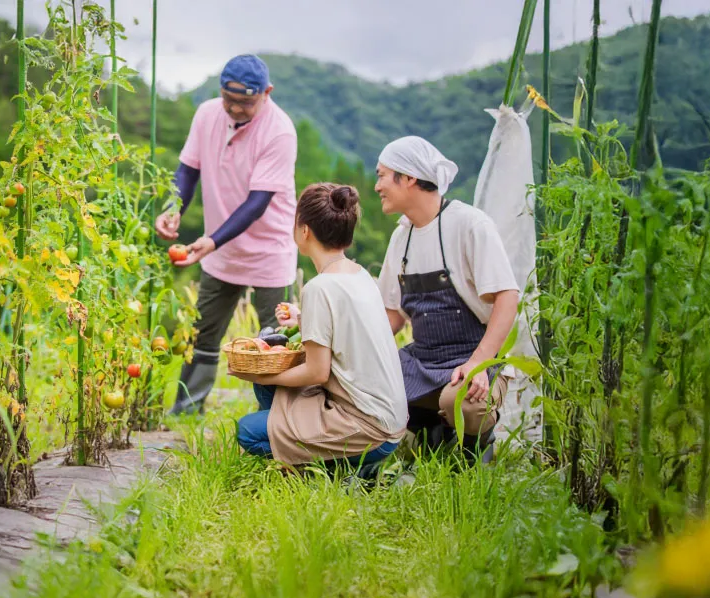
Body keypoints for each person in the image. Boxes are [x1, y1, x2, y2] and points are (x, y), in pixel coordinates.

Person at [156, 54, 299, 415]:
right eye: (228, 99)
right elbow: (187, 170)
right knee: (203, 331)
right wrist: (174, 209)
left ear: (267, 93)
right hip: (220, 248)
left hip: (268, 250)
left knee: (276, 341)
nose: (234, 108)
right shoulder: (207, 114)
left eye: (245, 102)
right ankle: (187, 410)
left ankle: (278, 419)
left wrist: (212, 240)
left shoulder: (279, 131)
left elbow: (258, 202)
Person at [231, 184, 409, 470]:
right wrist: (302, 318)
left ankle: (339, 468)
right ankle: (300, 443)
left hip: (367, 427)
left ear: (304, 231)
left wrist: (264, 377)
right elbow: (344, 329)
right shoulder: (359, 274)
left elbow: (317, 371)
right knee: (273, 388)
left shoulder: (319, 288)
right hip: (390, 421)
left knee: (249, 431)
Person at [373, 136, 520, 465]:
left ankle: (476, 447)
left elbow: (507, 299)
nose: (377, 186)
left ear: (409, 178)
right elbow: (393, 317)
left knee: (464, 401)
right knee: (370, 383)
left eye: (382, 175)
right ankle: (429, 430)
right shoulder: (402, 236)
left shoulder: (469, 225)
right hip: (423, 359)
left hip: (472, 360)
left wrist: (478, 365)